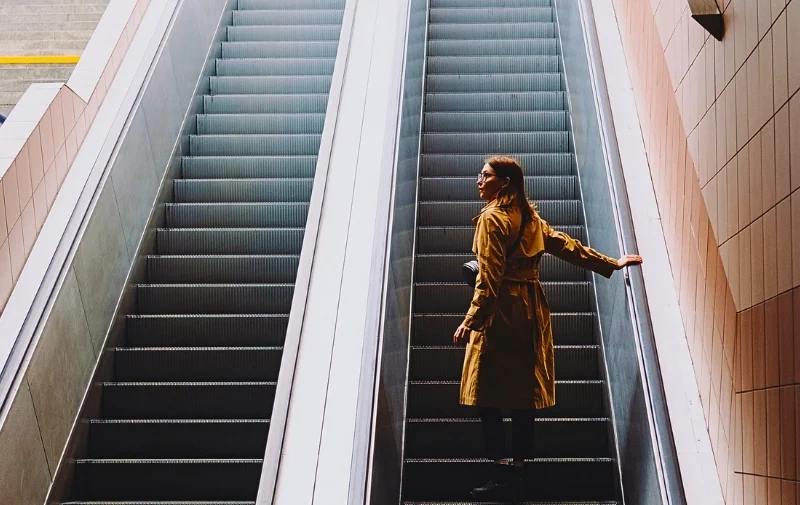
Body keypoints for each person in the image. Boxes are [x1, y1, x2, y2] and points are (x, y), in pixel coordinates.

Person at [452, 155, 642, 500]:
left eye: (485, 175)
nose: (479, 181)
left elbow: (489, 278)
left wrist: (471, 319)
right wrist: (610, 263)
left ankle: (500, 471)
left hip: (500, 313)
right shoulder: (528, 217)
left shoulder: (492, 219)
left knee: (485, 394)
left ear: (505, 182)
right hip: (530, 309)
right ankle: (520, 471)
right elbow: (564, 245)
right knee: (523, 394)